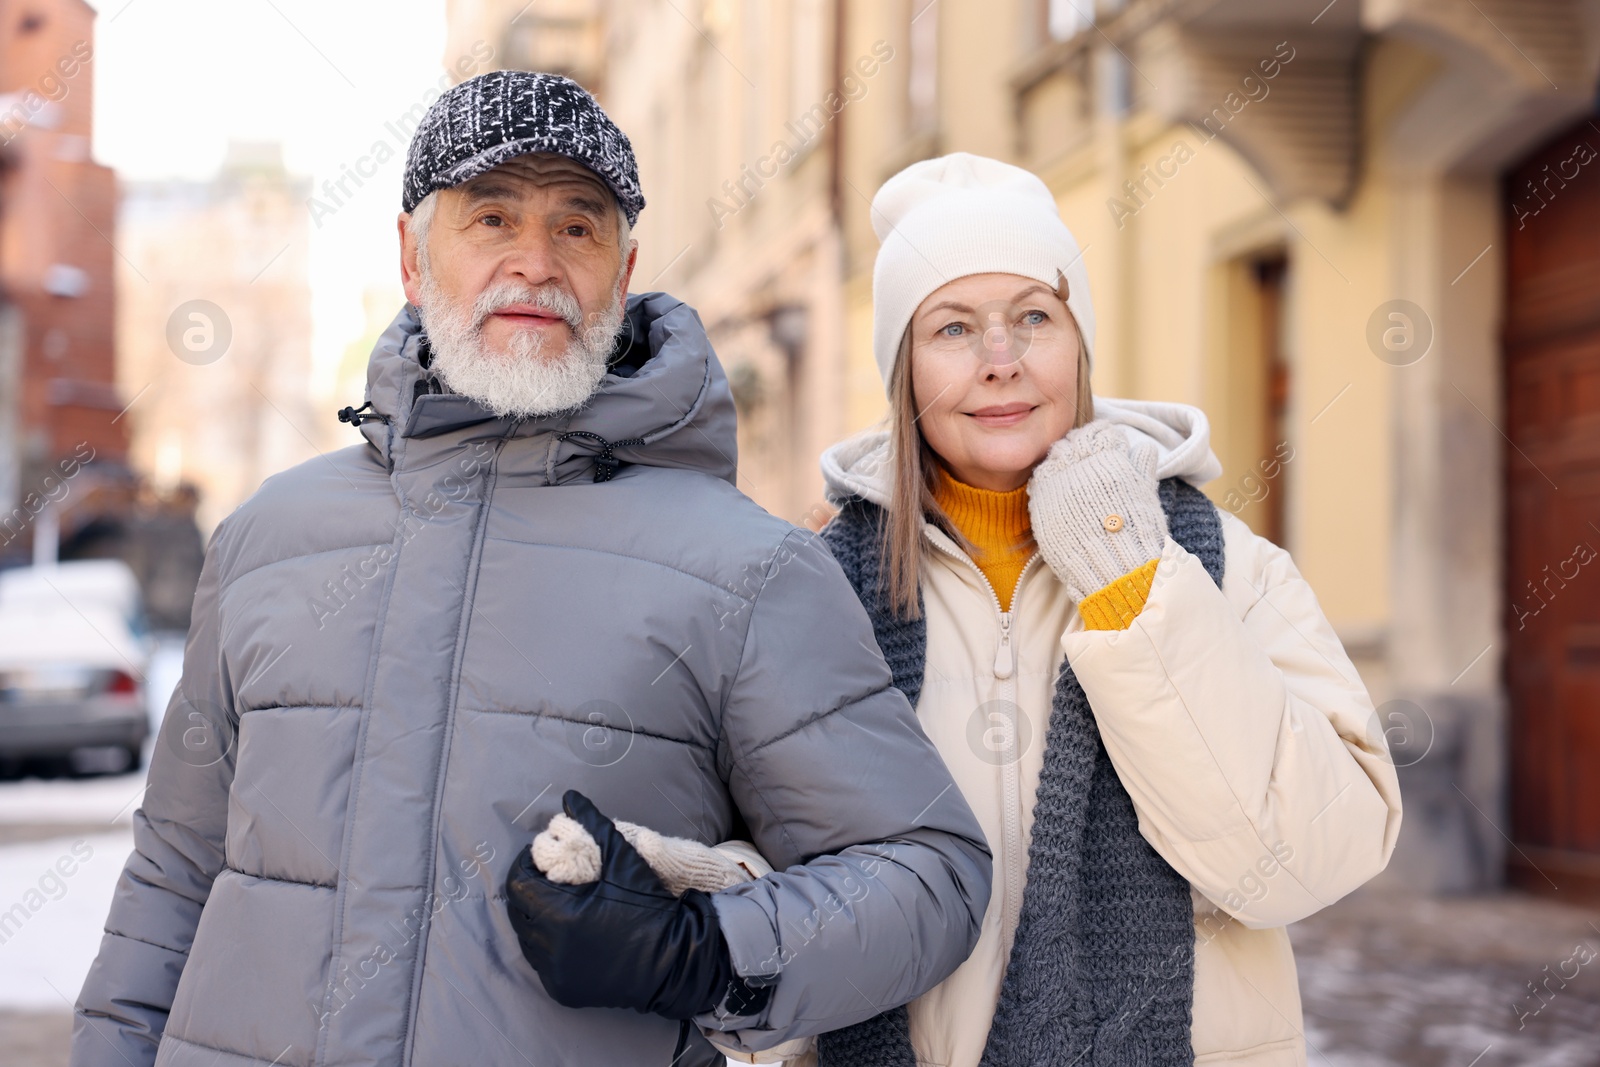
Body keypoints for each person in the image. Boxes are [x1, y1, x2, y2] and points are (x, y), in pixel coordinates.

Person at [70, 73, 991, 1067]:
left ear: (624, 268)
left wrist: (703, 953)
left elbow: (927, 873)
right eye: (492, 217)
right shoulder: (267, 538)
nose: (535, 264)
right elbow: (173, 873)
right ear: (412, 258)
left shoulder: (746, 568)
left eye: (577, 228)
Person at [813, 153, 1403, 1067]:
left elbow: (1311, 859)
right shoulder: (817, 592)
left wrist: (1132, 582)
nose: (1001, 362)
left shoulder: (1223, 566)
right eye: (954, 327)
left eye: (1035, 318)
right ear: (903, 367)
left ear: (1080, 343)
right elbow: (771, 884)